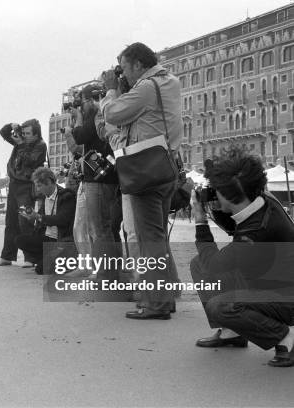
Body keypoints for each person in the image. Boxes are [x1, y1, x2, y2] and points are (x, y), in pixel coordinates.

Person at [190, 147, 294, 367]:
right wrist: (218, 207)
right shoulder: (261, 200)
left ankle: (286, 340)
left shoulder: (257, 230)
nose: (213, 193)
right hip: (270, 280)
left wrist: (200, 219)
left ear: (229, 195)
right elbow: (235, 228)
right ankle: (232, 333)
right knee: (198, 264)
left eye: (216, 190)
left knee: (222, 304)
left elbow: (213, 265)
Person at [101, 42, 183, 319]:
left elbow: (112, 113)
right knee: (157, 235)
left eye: (125, 67)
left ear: (138, 64)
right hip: (165, 165)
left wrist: (112, 89)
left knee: (150, 239)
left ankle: (156, 304)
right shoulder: (169, 81)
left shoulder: (147, 88)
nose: (123, 73)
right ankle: (166, 296)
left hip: (145, 169)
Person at [69, 83, 119, 281]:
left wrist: (79, 118)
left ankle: (106, 275)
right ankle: (109, 272)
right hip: (105, 177)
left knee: (99, 227)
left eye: (82, 101)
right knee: (103, 226)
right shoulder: (104, 111)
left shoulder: (96, 113)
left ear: (89, 100)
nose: (81, 105)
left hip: (99, 178)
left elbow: (80, 136)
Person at [0, 119, 47, 268]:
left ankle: (31, 258)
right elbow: (3, 133)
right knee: (10, 222)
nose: (24, 136)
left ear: (36, 134)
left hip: (26, 186)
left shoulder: (40, 145)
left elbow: (31, 161)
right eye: (23, 133)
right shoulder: (20, 142)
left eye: (28, 133)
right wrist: (12, 126)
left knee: (25, 222)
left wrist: (21, 144)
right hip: (14, 184)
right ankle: (7, 256)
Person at [14, 167, 76, 275]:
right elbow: (42, 221)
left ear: (48, 182)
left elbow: (61, 219)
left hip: (62, 241)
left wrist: (38, 217)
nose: (38, 190)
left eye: (39, 186)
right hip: (47, 239)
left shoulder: (66, 196)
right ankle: (47, 259)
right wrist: (32, 217)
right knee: (19, 240)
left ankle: (61, 262)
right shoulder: (45, 198)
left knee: (40, 270)